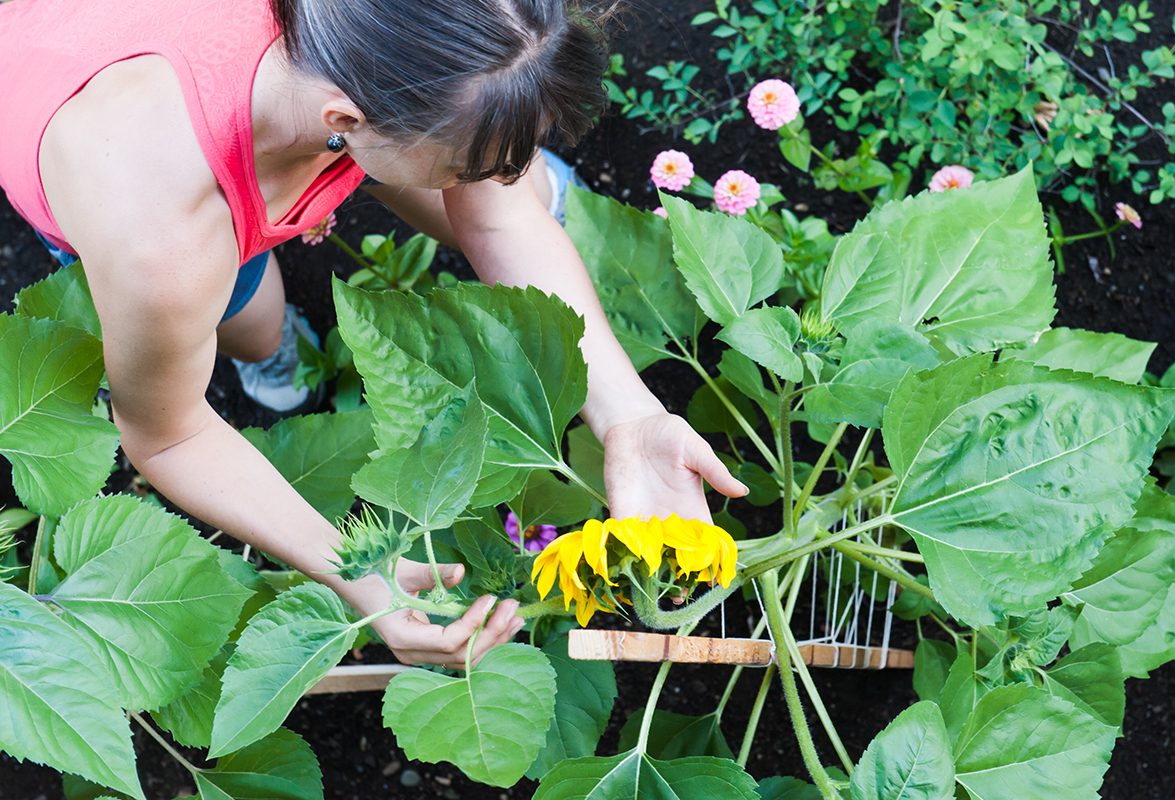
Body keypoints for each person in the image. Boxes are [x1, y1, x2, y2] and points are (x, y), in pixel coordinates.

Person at [0, 0, 749, 670]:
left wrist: (632, 416)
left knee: (485, 190)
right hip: (110, 125)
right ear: (345, 127)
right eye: (482, 163)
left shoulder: (404, 41)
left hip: (301, 104)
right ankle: (275, 341)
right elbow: (167, 436)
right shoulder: (163, 238)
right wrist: (361, 575)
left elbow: (497, 213)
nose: (500, 177)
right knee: (254, 327)